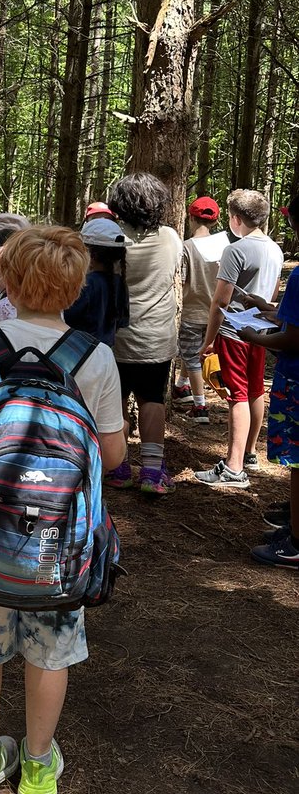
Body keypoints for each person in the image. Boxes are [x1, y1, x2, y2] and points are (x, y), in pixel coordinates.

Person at [0, 226, 126, 794]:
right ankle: (39, 767)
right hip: (60, 543)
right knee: (50, 653)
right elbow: (114, 456)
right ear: (74, 286)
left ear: (7, 281)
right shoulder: (94, 356)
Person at [196, 189, 284, 488]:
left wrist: (208, 340)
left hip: (234, 332)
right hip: (261, 331)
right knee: (256, 389)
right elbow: (269, 297)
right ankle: (247, 454)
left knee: (238, 395)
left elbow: (220, 301)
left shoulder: (236, 250)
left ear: (235, 218)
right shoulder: (275, 249)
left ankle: (233, 468)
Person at [106, 173, 182, 495]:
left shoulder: (110, 238)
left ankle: (119, 467)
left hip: (116, 337)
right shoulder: (170, 238)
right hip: (156, 337)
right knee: (152, 399)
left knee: (116, 400)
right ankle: (152, 471)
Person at [238, 191, 299, 567]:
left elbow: (295, 337)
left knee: (296, 463)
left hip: (295, 381)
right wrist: (268, 310)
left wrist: (255, 337)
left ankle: (294, 544)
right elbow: (292, 321)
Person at [172, 197, 228, 424]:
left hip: (192, 311)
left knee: (193, 357)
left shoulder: (186, 247)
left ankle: (200, 405)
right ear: (216, 220)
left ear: (190, 217)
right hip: (217, 314)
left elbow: (181, 280)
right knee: (192, 352)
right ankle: (181, 386)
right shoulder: (225, 245)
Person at [63, 217, 131, 347]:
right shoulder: (120, 283)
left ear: (89, 253)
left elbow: (65, 318)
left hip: (78, 352)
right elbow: (122, 322)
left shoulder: (85, 284)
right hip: (105, 352)